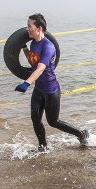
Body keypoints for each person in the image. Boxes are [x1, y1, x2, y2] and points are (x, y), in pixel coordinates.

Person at [14, 13, 89, 151]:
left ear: (39, 28)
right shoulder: (34, 43)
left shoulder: (48, 46)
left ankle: (81, 134)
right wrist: (24, 48)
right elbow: (33, 60)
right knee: (35, 118)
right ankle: (43, 147)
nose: (27, 29)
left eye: (29, 26)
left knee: (53, 121)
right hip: (39, 89)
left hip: (51, 90)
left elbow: (41, 68)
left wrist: (26, 83)